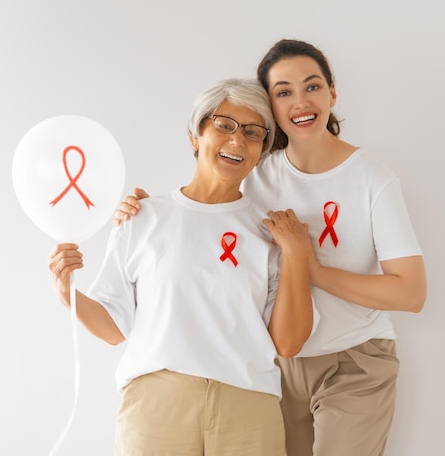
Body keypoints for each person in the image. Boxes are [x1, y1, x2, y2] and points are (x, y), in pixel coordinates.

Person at [114, 39, 427, 456]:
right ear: (271, 109)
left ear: (332, 93)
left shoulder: (372, 178)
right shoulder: (254, 174)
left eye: (312, 86)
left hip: (355, 360)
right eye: (283, 92)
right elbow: (202, 214)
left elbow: (410, 292)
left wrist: (311, 269)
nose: (301, 101)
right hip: (277, 364)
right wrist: (142, 210)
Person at [49, 78, 315, 456]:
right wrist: (66, 293)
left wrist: (296, 253)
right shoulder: (142, 218)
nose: (238, 140)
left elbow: (288, 343)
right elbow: (113, 329)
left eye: (253, 132)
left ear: (261, 150)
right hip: (158, 404)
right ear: (195, 135)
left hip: (249, 406)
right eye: (224, 125)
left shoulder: (271, 233)